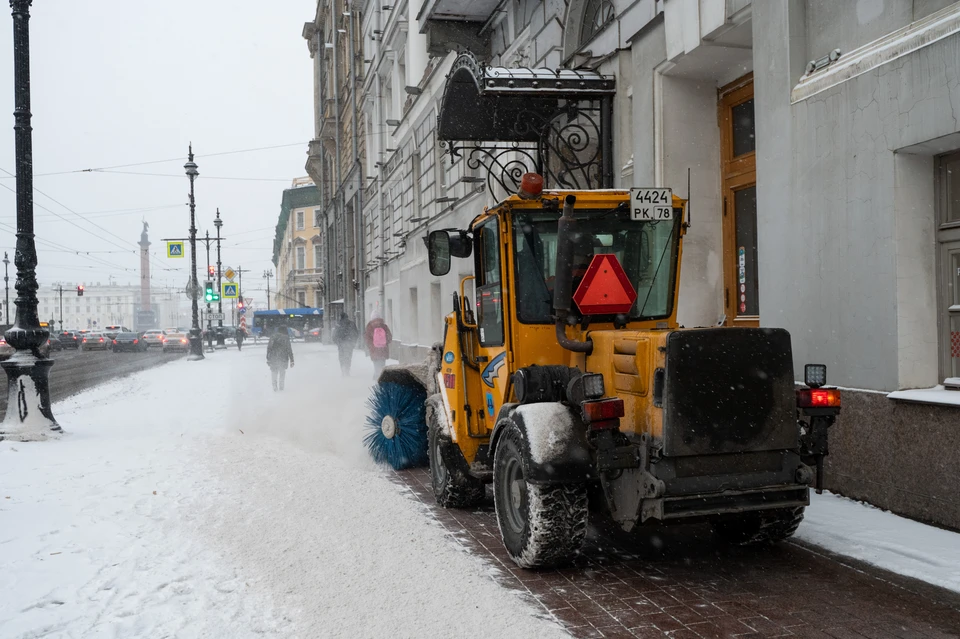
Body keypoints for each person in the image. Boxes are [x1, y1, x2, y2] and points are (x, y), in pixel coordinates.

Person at [364, 309, 392, 379]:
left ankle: (376, 378)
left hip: (374, 351)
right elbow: (389, 337)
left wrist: (371, 346)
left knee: (376, 366)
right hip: (383, 350)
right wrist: (384, 343)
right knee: (382, 366)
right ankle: (382, 379)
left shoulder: (370, 326)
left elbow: (367, 339)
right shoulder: (384, 326)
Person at [266, 325, 294, 391]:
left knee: (274, 372)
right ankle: (281, 387)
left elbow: (269, 348)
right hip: (283, 358)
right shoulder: (286, 338)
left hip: (273, 357)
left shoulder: (273, 337)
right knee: (282, 373)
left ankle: (274, 386)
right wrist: (292, 360)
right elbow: (289, 349)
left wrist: (268, 358)